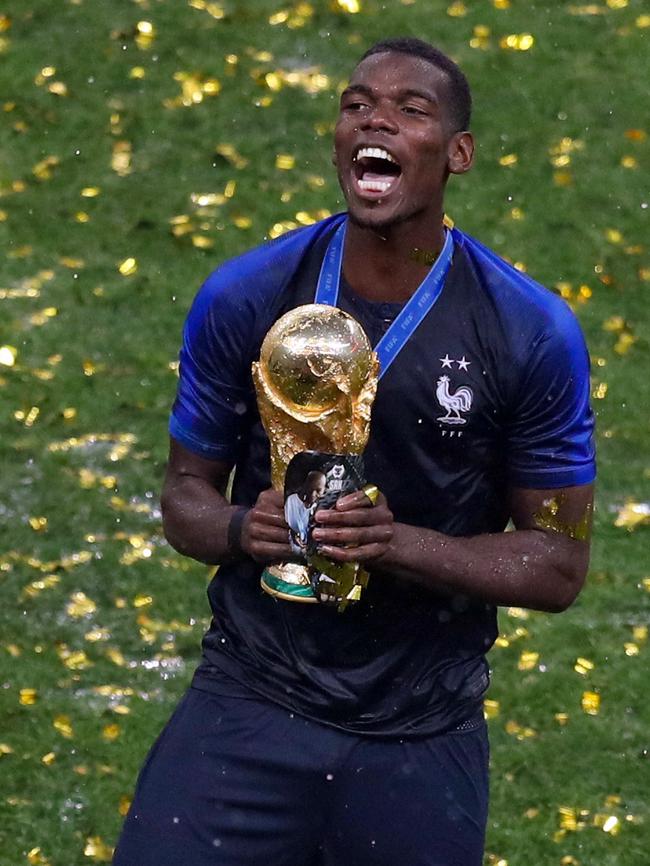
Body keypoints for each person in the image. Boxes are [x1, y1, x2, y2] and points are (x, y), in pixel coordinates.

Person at [113, 37, 595, 866]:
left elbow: (557, 565)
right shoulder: (249, 294)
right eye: (356, 104)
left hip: (420, 730)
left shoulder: (528, 332)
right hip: (251, 701)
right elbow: (184, 496)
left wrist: (394, 544)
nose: (375, 118)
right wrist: (240, 530)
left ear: (458, 154)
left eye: (412, 110)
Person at [285, 470, 327, 555]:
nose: (313, 494)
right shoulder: (292, 501)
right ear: (306, 485)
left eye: (318, 490)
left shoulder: (321, 509)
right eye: (311, 488)